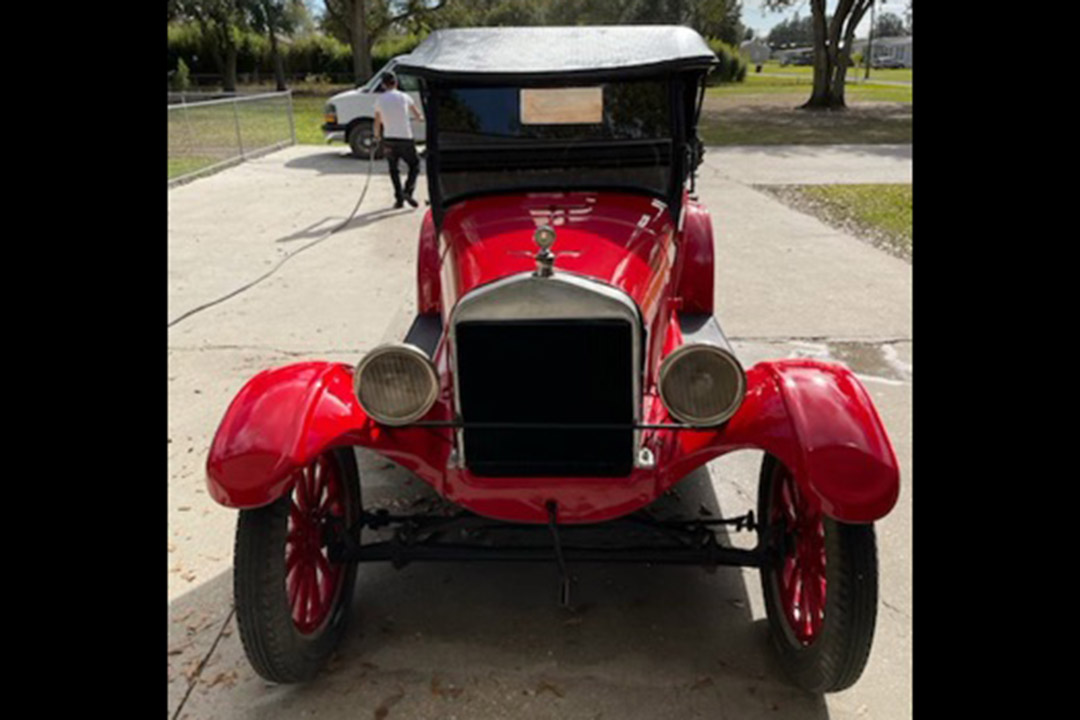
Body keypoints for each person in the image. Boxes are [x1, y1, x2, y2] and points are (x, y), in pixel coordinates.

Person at [373, 71, 424, 209]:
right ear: (396, 83)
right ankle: (408, 191)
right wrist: (420, 118)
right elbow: (418, 114)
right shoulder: (404, 97)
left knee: (393, 169)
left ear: (383, 85)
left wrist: (377, 136)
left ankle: (399, 199)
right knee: (415, 165)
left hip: (389, 138)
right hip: (405, 138)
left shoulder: (380, 100)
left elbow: (377, 121)